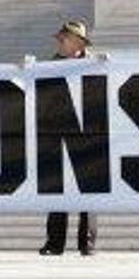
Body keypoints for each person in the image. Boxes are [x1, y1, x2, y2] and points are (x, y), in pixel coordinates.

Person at [41, 19, 99, 258]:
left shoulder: (96, 65)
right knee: (57, 189)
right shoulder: (50, 65)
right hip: (58, 131)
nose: (61, 42)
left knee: (91, 190)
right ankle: (55, 243)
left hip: (88, 133)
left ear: (78, 42)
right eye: (61, 38)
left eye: (65, 38)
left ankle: (87, 243)